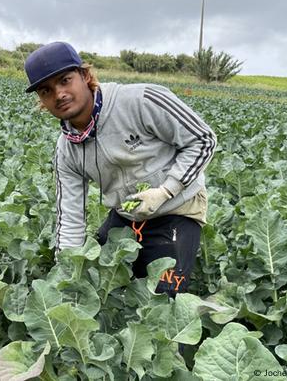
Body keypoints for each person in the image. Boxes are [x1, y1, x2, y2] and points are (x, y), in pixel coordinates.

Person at [24, 41, 217, 298]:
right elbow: (70, 217)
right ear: (41, 101)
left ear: (85, 76)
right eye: (46, 91)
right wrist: (66, 277)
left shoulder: (141, 100)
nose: (59, 94)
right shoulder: (66, 149)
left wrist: (165, 191)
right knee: (99, 284)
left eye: (65, 80)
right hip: (127, 216)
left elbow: (204, 140)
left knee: (162, 302)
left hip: (177, 209)